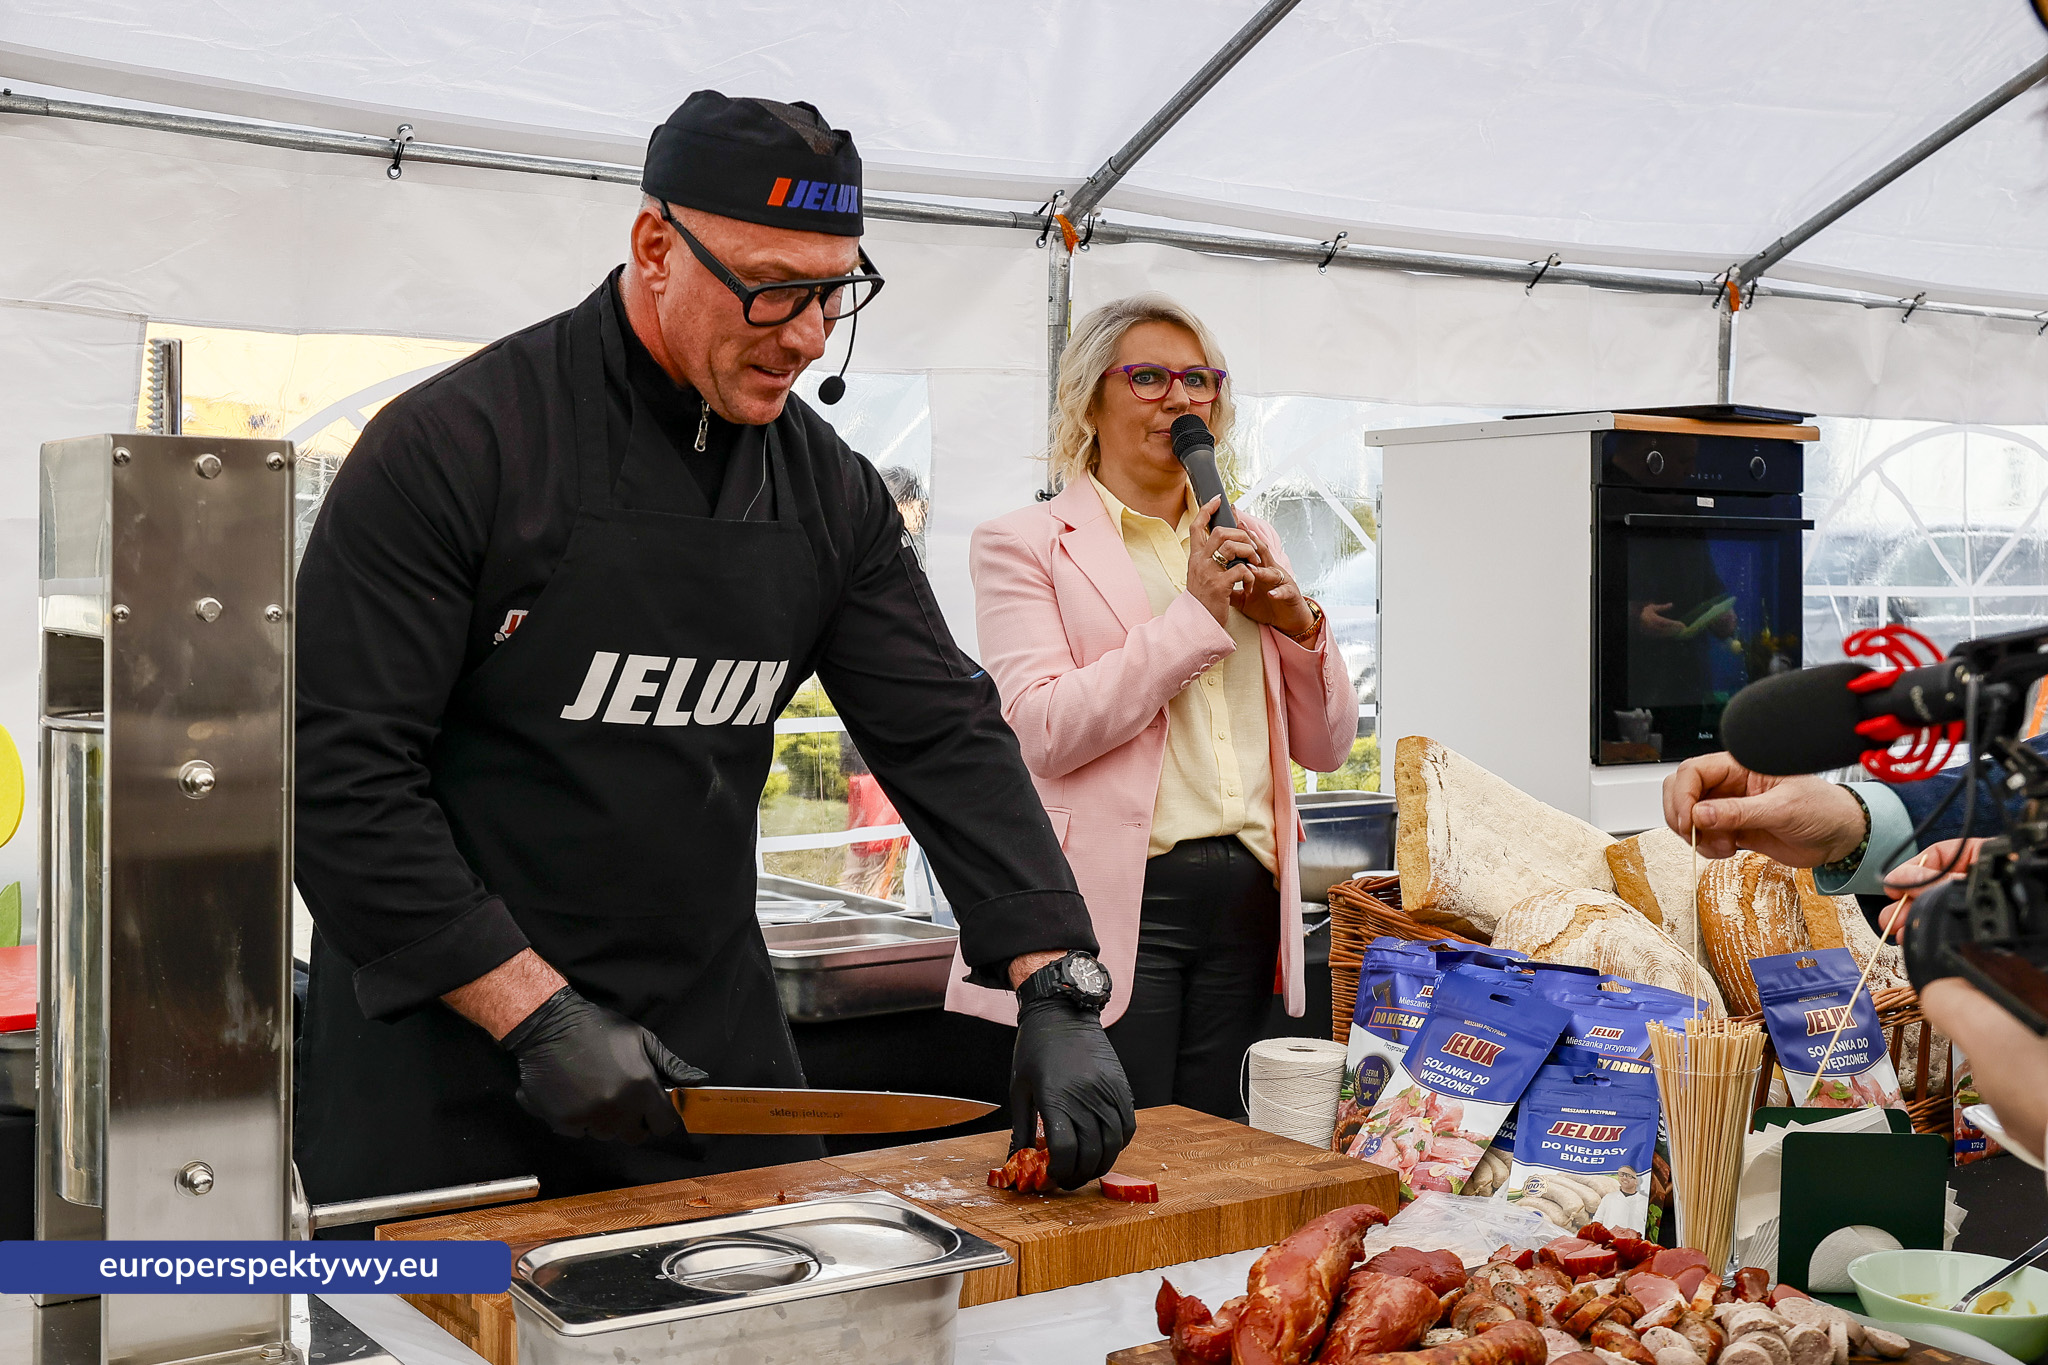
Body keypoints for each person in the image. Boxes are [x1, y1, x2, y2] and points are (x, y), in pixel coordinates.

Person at [293, 90, 1135, 1212]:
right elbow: (336, 777)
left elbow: (944, 730)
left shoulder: (828, 491)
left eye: (833, 292)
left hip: (708, 1043)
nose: (807, 334)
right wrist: (533, 1013)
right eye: (773, 288)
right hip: (454, 1050)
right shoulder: (456, 449)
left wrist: (1055, 980)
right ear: (655, 247)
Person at [946, 294, 1359, 1120]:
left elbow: (1328, 746)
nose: (1180, 399)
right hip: (1114, 899)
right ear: (1087, 399)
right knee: (1116, 1149)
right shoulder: (1024, 543)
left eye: (1199, 380)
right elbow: (1044, 729)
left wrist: (1302, 626)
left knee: (1217, 1148)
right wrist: (1194, 617)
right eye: (1149, 377)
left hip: (1251, 898)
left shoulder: (1251, 538)